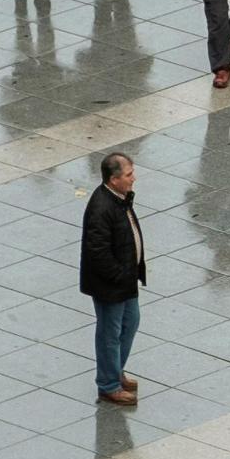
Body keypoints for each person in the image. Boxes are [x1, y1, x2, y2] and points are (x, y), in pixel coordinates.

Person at [80, 152, 146, 406]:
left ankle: (115, 370)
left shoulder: (119, 199)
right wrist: (121, 276)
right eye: (129, 175)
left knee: (130, 323)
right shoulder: (102, 207)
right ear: (113, 179)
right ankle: (109, 384)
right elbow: (98, 253)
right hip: (112, 286)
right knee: (110, 332)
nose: (134, 178)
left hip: (125, 282)